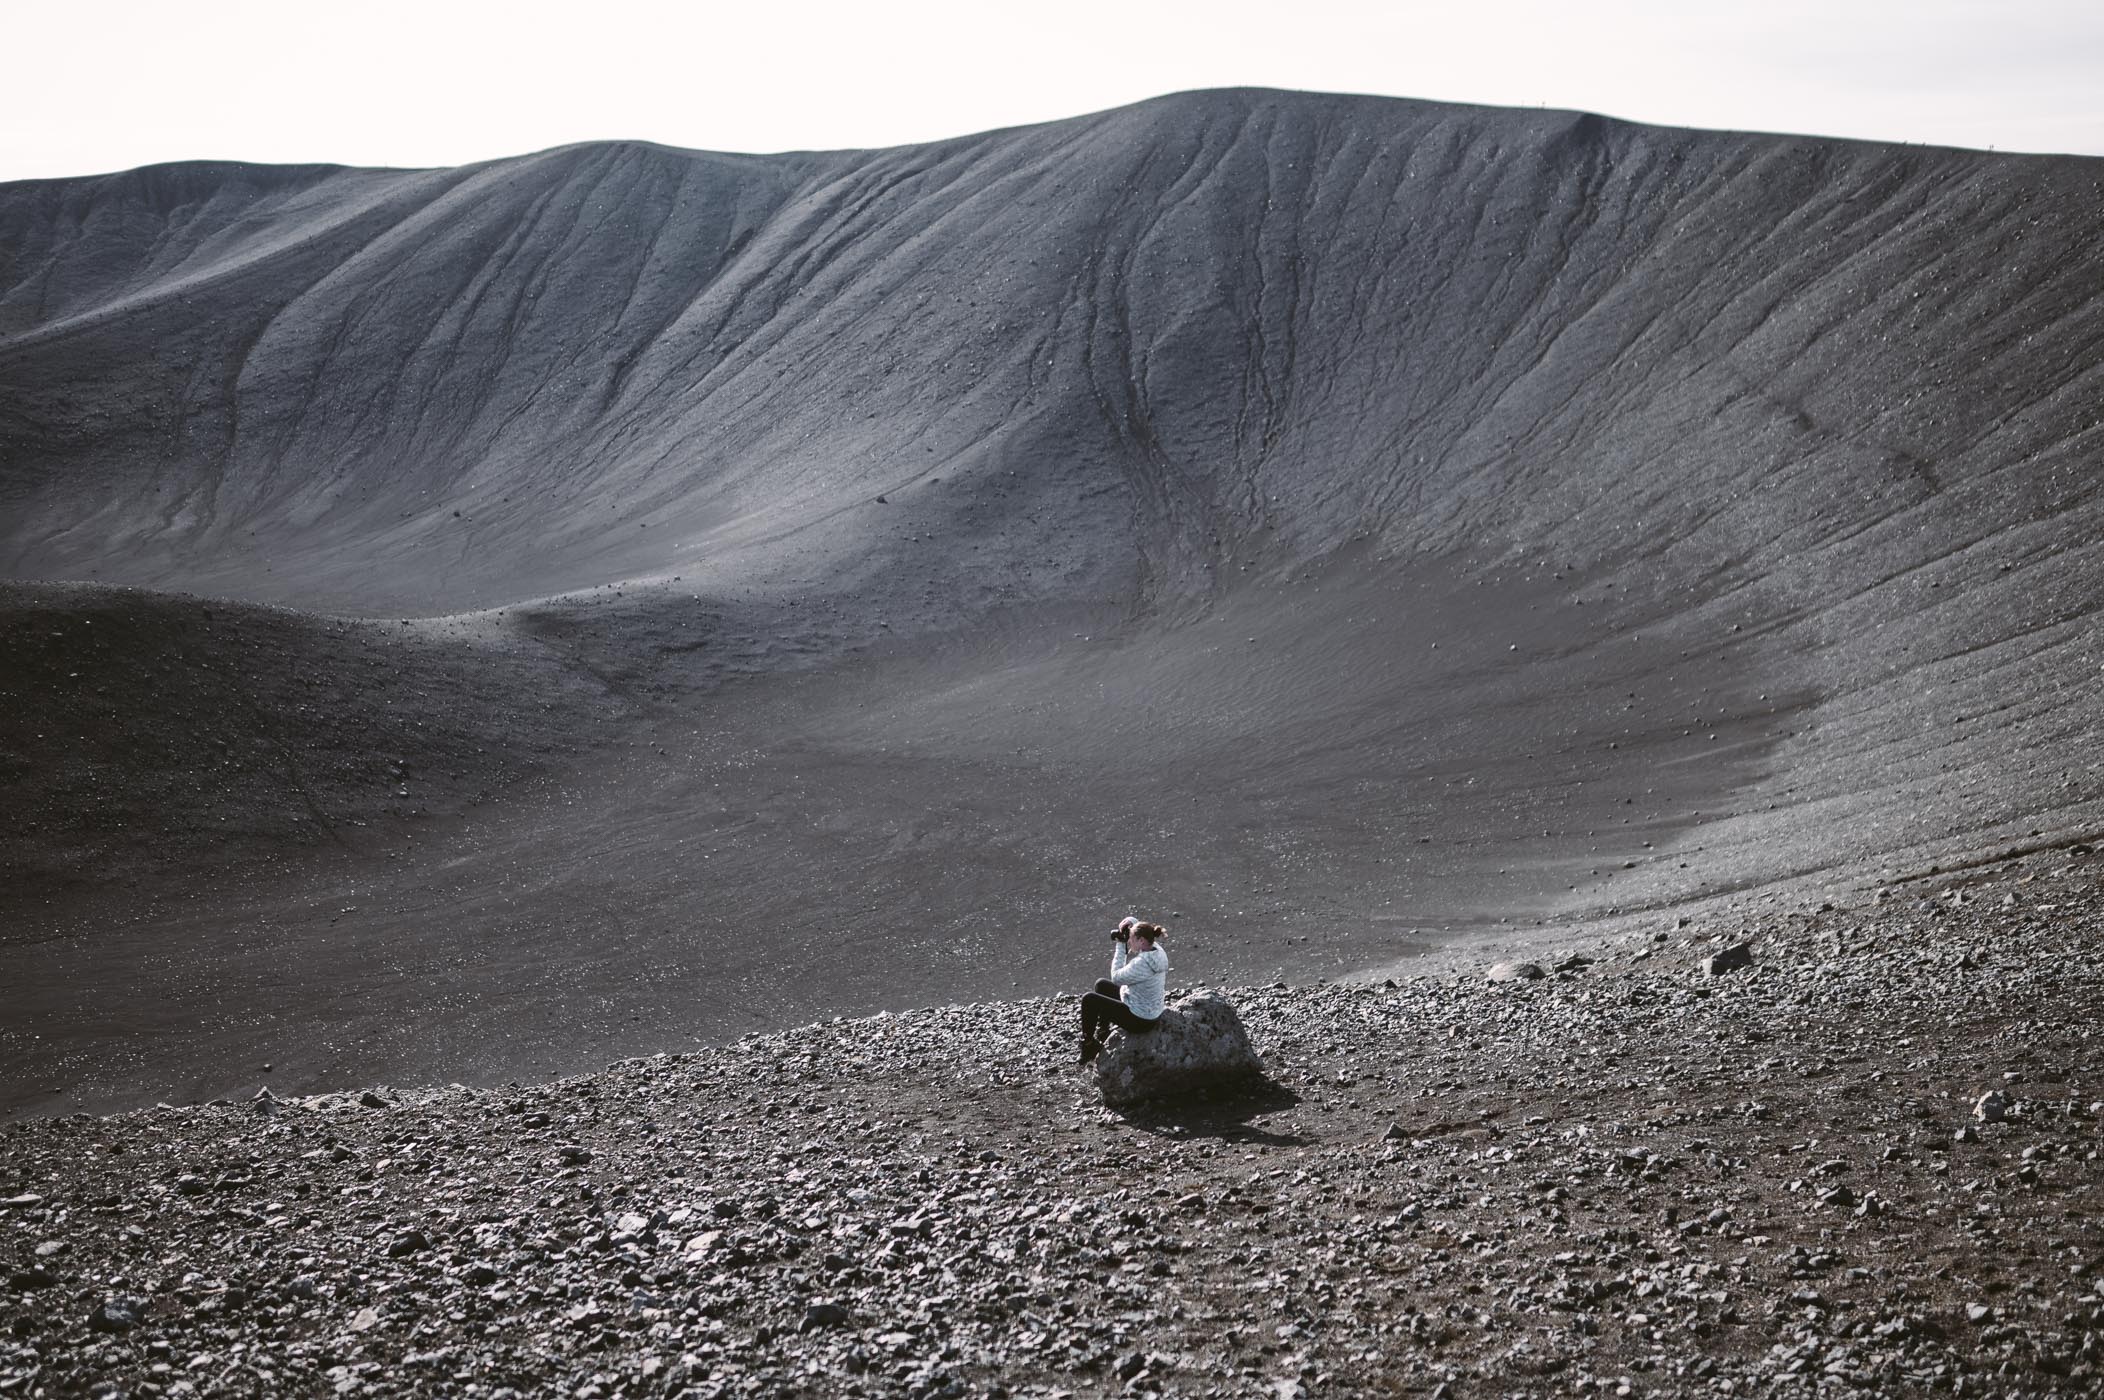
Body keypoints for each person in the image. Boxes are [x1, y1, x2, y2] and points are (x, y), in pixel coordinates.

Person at [1078, 916, 1168, 1063]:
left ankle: (1088, 1045)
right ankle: (1103, 1032)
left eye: (1131, 938)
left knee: (1089, 999)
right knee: (1101, 985)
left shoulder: (1141, 964)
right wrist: (1130, 922)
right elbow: (1142, 929)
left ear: (1141, 941)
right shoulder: (1157, 950)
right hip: (1147, 1008)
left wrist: (1120, 946)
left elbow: (1116, 977)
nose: (1129, 941)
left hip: (1140, 1019)